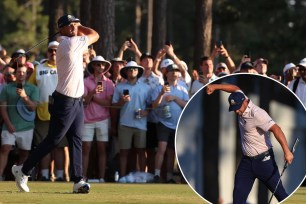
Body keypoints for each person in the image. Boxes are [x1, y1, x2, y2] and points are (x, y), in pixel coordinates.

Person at [11, 14, 99, 193]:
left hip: (77, 100)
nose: (74, 27)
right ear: (62, 29)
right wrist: (81, 25)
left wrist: (75, 25)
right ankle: (23, 170)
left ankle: (77, 181)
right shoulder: (69, 44)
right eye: (70, 25)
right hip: (65, 101)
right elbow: (95, 34)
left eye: (74, 24)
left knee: (76, 139)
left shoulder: (69, 42)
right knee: (54, 139)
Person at [206, 83, 294, 203]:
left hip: (264, 161)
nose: (236, 111)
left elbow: (276, 129)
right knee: (238, 197)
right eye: (234, 109)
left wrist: (287, 151)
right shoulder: (240, 97)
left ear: (244, 102)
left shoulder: (258, 114)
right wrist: (215, 87)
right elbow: (235, 88)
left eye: (237, 108)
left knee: (281, 194)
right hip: (247, 162)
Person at [28, 41, 70, 182]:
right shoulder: (38, 69)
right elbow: (30, 88)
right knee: (43, 146)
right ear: (47, 52)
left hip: (61, 114)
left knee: (59, 147)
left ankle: (59, 175)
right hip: (42, 114)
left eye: (55, 50)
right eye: (50, 50)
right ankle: (45, 175)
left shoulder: (66, 67)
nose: (53, 53)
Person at [112, 60, 151, 177]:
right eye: (130, 69)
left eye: (135, 69)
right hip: (125, 123)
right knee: (124, 152)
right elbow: (114, 105)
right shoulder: (120, 87)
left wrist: (146, 112)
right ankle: (123, 177)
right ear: (126, 72)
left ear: (138, 71)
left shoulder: (146, 87)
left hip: (141, 123)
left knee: (141, 151)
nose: (133, 71)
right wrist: (121, 102)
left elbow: (151, 105)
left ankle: (142, 177)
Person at [0, 65, 39, 181]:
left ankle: (21, 177)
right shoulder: (7, 88)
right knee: (5, 148)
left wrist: (24, 96)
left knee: (24, 153)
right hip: (9, 126)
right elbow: (2, 108)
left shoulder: (33, 89)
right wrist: (8, 123)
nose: (21, 74)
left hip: (26, 127)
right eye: (18, 72)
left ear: (27, 74)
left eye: (23, 72)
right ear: (15, 74)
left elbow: (33, 108)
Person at [152, 64, 189, 183]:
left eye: (176, 71)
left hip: (178, 124)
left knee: (172, 151)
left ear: (179, 74)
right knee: (161, 149)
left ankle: (169, 176)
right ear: (166, 74)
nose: (174, 73)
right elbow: (154, 106)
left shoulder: (183, 88)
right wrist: (161, 94)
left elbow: (187, 106)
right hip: (164, 123)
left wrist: (174, 98)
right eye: (171, 71)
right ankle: (157, 175)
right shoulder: (159, 88)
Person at [82, 56, 114, 182]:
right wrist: (93, 92)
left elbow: (108, 103)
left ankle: (101, 178)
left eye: (103, 65)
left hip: (103, 119)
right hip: (87, 119)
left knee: (102, 149)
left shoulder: (109, 83)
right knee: (86, 149)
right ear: (94, 66)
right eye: (98, 65)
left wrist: (93, 97)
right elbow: (85, 101)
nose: (101, 67)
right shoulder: (85, 81)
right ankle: (82, 177)